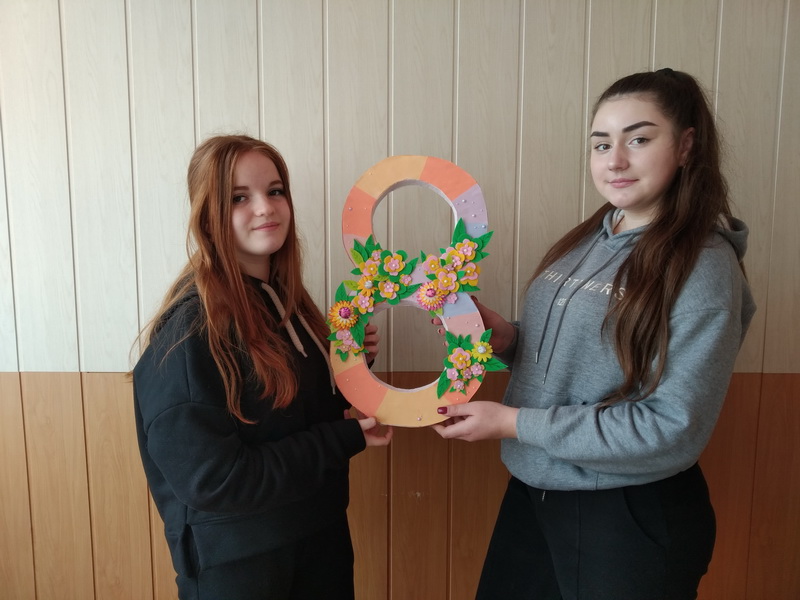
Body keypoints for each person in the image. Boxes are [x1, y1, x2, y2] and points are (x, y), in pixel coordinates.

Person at [433, 69, 755, 599]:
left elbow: (671, 427)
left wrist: (514, 422)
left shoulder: (703, 267)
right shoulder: (590, 238)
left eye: (639, 139)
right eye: (602, 144)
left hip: (626, 512)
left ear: (686, 146)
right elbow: (586, 358)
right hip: (538, 491)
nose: (615, 160)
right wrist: (508, 340)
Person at [132, 134, 392, 600]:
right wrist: (342, 439)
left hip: (319, 539)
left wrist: (346, 369)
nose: (265, 208)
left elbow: (282, 412)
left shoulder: (292, 306)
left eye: (275, 191)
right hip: (239, 564)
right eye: (239, 197)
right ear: (207, 216)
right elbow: (216, 479)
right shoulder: (188, 333)